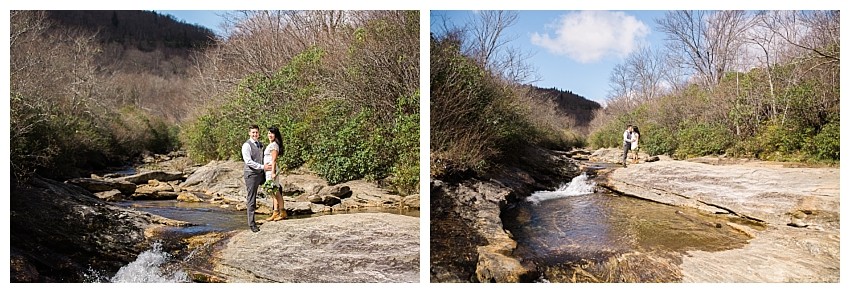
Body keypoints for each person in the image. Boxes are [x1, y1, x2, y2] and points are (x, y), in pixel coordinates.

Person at [241, 124, 273, 233]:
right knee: (251, 199)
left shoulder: (261, 145)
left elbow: (264, 157)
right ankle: (252, 224)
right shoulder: (246, 145)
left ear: (259, 133)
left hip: (261, 173)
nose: (255, 134)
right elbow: (248, 161)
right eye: (253, 132)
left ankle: (278, 212)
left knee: (276, 187)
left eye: (256, 132)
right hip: (251, 174)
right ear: (249, 133)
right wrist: (263, 167)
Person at [263, 126, 286, 221]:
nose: (270, 135)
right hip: (268, 171)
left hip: (272, 171)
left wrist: (273, 173)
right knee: (272, 191)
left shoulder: (274, 145)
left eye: (272, 133)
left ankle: (282, 212)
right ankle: (275, 212)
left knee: (275, 191)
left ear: (275, 135)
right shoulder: (271, 144)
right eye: (269, 133)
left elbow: (274, 160)